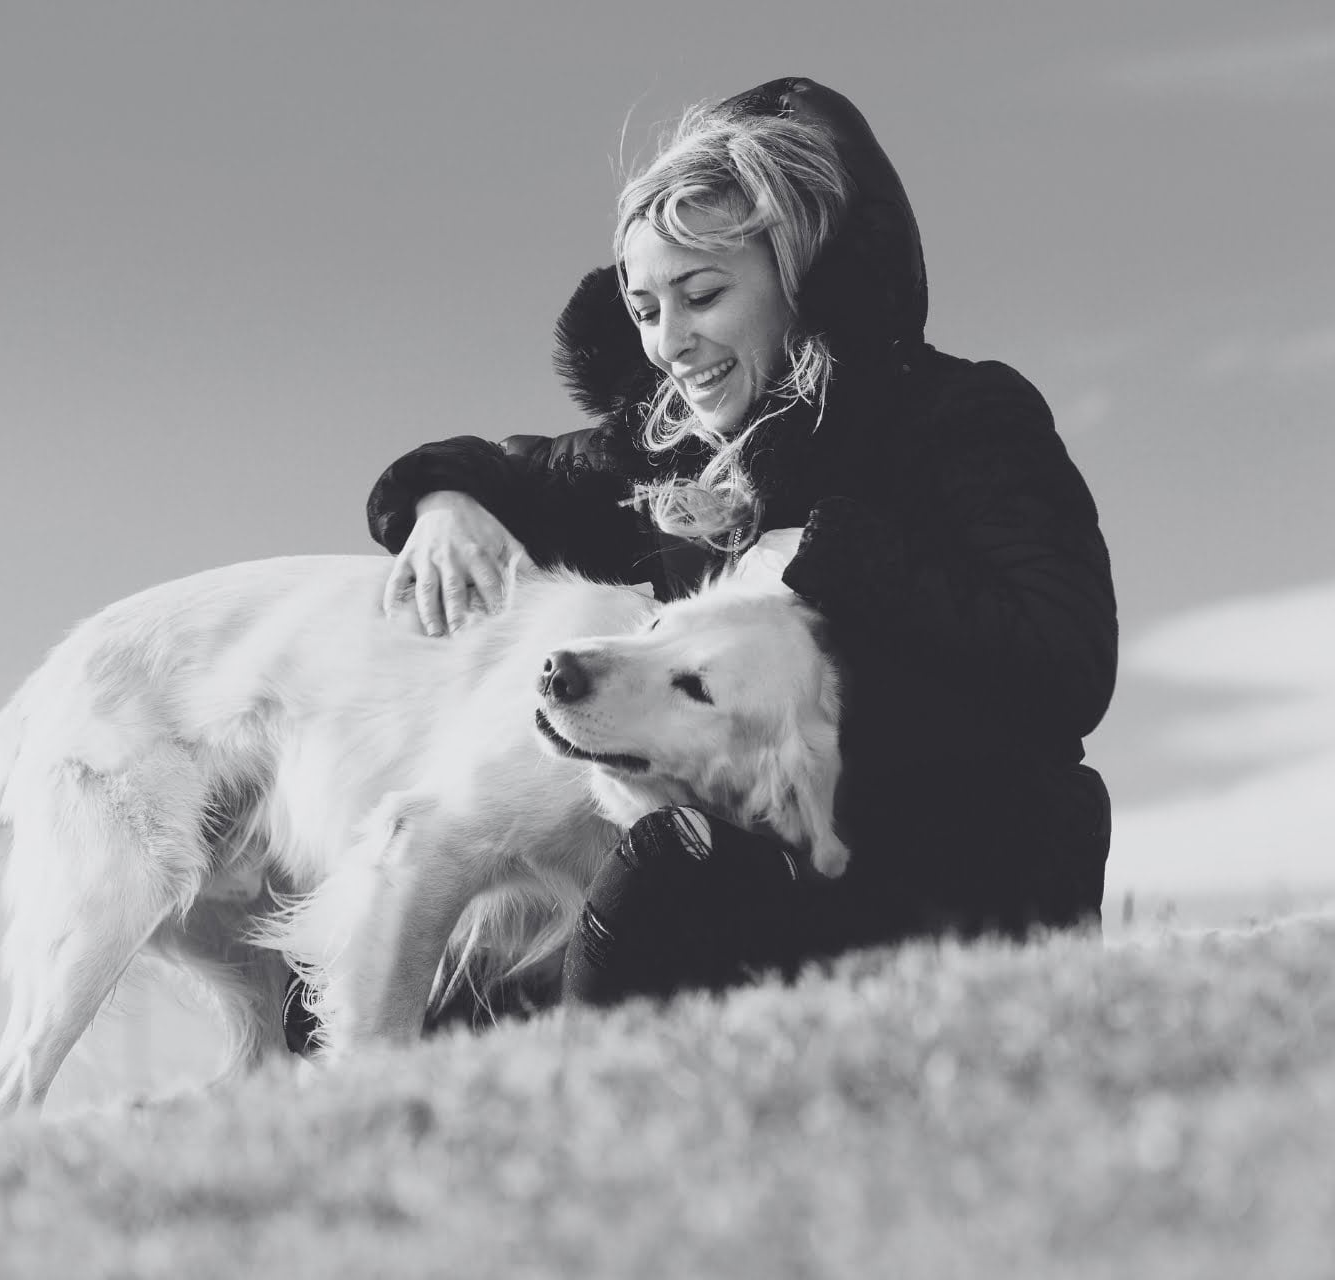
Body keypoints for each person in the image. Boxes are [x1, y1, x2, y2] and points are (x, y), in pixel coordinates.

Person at [287, 76, 1115, 1044]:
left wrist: (833, 553)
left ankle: (601, 1108)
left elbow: (1069, 669)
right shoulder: (675, 456)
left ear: (804, 277)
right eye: (644, 308)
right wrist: (437, 498)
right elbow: (526, 472)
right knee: (461, 987)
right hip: (758, 872)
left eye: (703, 295)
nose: (670, 343)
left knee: (663, 866)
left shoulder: (965, 415)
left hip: (964, 860)